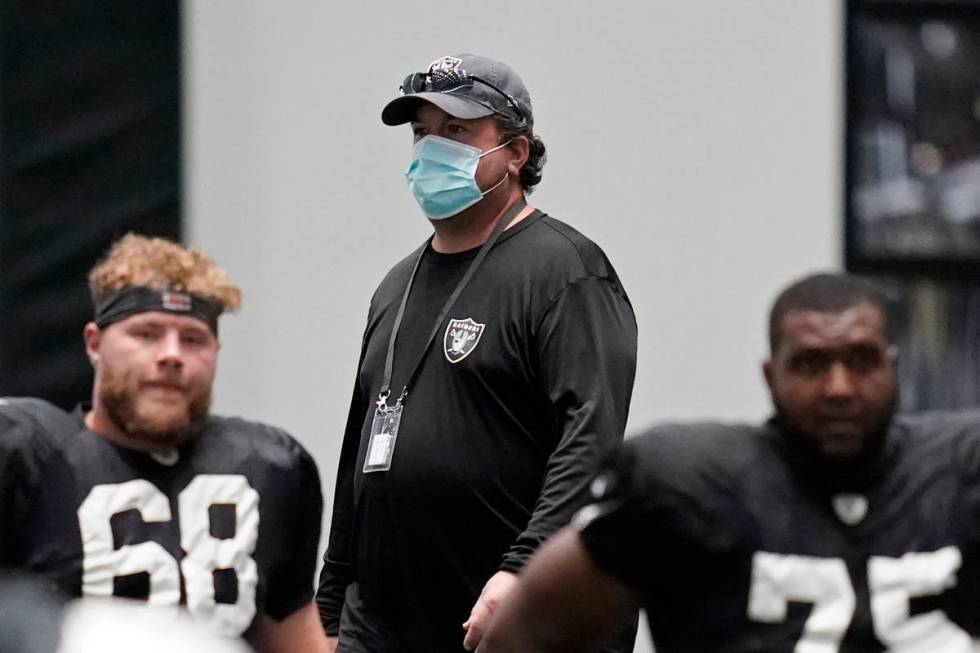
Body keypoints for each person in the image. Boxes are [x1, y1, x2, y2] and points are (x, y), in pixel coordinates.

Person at [315, 53, 638, 652]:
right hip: (387, 622)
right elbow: (362, 448)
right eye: (421, 132)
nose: (431, 149)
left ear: (515, 153)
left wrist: (523, 567)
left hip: (518, 616)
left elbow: (590, 441)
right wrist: (330, 607)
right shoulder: (395, 285)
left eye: (457, 131)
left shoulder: (567, 271)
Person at [479, 271, 980, 653]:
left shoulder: (962, 470)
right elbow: (526, 635)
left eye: (862, 361)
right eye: (810, 364)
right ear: (770, 375)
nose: (839, 389)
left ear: (893, 367)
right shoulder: (690, 482)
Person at [1, 234, 329, 652]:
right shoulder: (25, 452)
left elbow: (294, 635)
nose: (171, 355)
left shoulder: (271, 466)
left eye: (192, 339)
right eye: (147, 333)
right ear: (94, 344)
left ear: (216, 351)